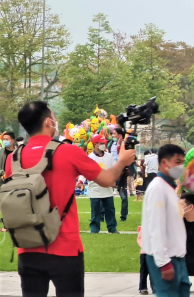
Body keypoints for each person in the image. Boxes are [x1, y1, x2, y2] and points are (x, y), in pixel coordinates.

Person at [3, 101, 135, 297]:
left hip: (27, 247)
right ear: (48, 122)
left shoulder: (13, 158)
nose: (56, 121)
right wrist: (123, 161)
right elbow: (107, 180)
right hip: (65, 249)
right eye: (54, 117)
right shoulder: (67, 151)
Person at [142, 143, 191, 297]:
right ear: (164, 163)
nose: (181, 167)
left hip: (178, 258)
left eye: (183, 162)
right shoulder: (158, 188)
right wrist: (163, 263)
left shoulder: (169, 188)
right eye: (177, 162)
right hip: (166, 259)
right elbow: (156, 227)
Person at [88, 133, 119, 234]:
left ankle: (112, 228)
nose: (104, 145)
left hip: (107, 188)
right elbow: (85, 171)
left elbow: (113, 169)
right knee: (95, 210)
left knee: (110, 209)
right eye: (101, 143)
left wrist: (113, 180)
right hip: (95, 187)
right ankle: (95, 229)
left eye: (104, 143)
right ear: (95, 144)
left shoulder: (109, 156)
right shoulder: (90, 157)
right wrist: (80, 181)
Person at [137, 226, 154, 295]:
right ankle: (142, 287)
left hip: (154, 254)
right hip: (145, 253)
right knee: (144, 271)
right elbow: (140, 239)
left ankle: (154, 286)